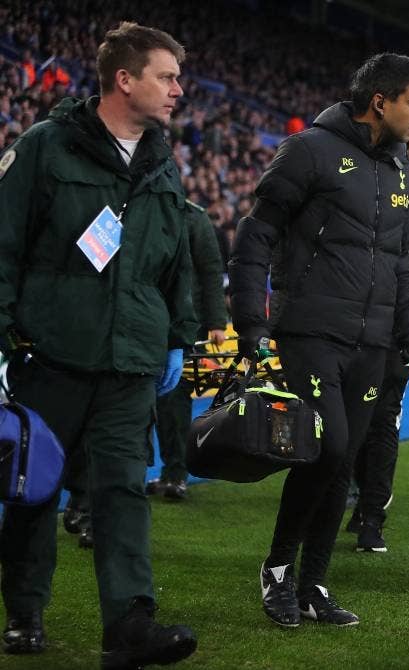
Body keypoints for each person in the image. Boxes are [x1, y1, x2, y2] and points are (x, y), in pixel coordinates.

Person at [0, 21, 199, 667]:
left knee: (121, 490)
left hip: (131, 358)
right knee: (34, 488)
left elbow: (174, 264)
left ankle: (130, 624)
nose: (178, 90)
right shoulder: (45, 147)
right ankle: (24, 611)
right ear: (125, 79)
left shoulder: (163, 163)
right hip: (51, 350)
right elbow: (3, 245)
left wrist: (175, 339)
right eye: (167, 77)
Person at [228, 53, 409, 628]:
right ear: (380, 102)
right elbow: (256, 234)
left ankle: (314, 584)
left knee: (342, 465)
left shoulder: (401, 169)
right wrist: (252, 320)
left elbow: (397, 261)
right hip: (311, 330)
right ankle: (277, 568)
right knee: (331, 446)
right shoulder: (309, 150)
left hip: (373, 340)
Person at [347, 122, 409, 553]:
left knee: (384, 419)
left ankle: (372, 516)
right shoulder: (362, 166)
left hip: (401, 316)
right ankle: (351, 497)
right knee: (349, 418)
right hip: (353, 311)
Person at [147, 199, 229, 500]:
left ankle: (176, 472)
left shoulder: (193, 217)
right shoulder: (150, 209)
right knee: (158, 402)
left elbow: (210, 270)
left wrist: (217, 321)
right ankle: (170, 470)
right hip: (149, 320)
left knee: (173, 399)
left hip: (183, 326)